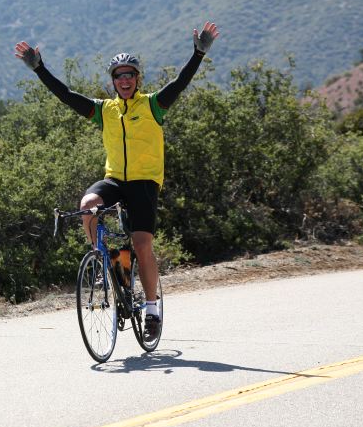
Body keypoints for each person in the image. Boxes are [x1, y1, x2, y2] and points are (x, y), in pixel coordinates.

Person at [14, 22, 219, 340]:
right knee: (87, 206)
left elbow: (180, 83)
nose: (124, 80)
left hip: (144, 183)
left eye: (130, 75)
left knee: (141, 245)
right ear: (112, 82)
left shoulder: (152, 105)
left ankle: (151, 309)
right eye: (118, 76)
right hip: (114, 180)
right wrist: (39, 69)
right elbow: (67, 96)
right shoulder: (104, 110)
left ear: (137, 79)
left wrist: (198, 54)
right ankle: (102, 261)